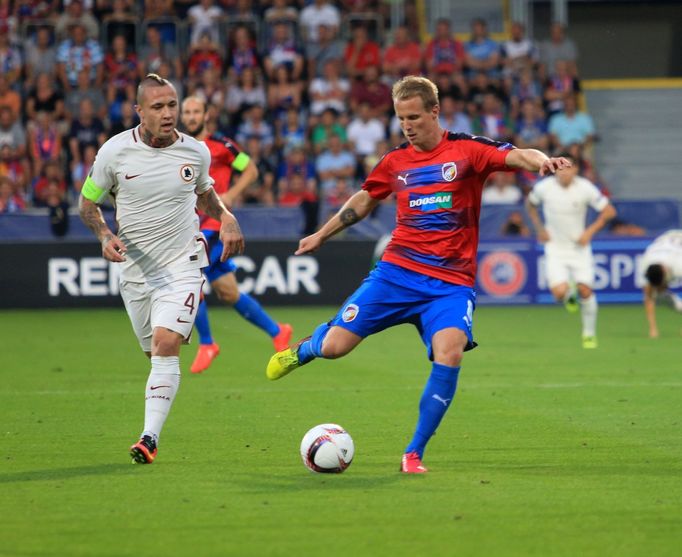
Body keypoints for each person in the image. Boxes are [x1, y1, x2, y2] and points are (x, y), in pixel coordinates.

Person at [265, 75, 571, 473]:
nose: (407, 126)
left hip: (449, 285)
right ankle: (305, 349)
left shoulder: (466, 150)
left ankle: (414, 453)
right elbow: (365, 198)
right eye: (400, 118)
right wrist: (323, 234)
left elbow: (516, 155)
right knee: (334, 348)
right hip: (396, 274)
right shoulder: (396, 161)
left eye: (413, 117)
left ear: (434, 112)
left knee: (450, 352)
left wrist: (542, 161)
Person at [79, 74, 244, 464]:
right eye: (158, 107)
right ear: (139, 111)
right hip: (136, 272)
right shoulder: (114, 152)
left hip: (183, 264)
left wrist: (226, 216)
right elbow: (87, 205)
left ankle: (148, 438)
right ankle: (156, 414)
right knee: (155, 354)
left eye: (172, 105)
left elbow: (205, 195)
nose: (168, 113)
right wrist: (104, 235)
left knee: (166, 343)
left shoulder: (196, 151)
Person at [180, 96, 293, 373]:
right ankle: (277, 330)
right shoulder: (178, 146)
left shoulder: (223, 145)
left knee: (187, 278)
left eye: (197, 111)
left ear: (207, 115)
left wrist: (230, 194)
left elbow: (251, 169)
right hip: (190, 225)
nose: (192, 116)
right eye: (188, 112)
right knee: (228, 292)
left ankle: (207, 343)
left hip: (214, 226)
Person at [526, 152, 616, 349]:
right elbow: (530, 204)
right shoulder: (544, 187)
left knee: (586, 290)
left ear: (575, 169)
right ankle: (568, 295)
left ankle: (589, 334)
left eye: (568, 168)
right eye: (560, 168)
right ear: (555, 169)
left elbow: (609, 211)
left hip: (579, 248)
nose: (564, 173)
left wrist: (589, 233)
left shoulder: (585, 188)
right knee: (558, 293)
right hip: (555, 249)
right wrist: (540, 229)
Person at [640, 230, 682, 339]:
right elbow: (648, 297)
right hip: (667, 241)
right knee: (657, 296)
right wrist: (653, 329)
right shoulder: (646, 264)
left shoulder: (679, 266)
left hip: (676, 246)